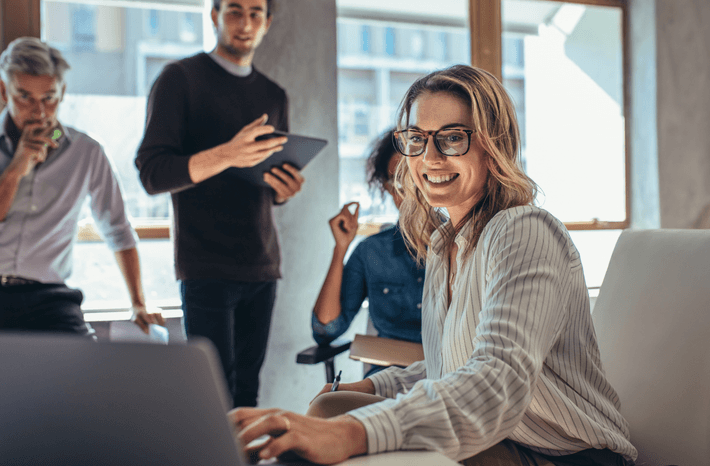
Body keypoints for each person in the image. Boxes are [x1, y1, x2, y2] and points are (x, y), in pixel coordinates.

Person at [229, 65, 638, 466]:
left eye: (453, 138)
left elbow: (495, 379)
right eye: (417, 139)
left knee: (341, 434)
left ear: (493, 144)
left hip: (566, 454)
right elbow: (449, 368)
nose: (430, 158)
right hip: (503, 437)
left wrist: (353, 433)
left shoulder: (525, 230)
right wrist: (372, 384)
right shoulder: (443, 244)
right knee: (332, 405)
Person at [135, 0, 304, 408]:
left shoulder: (273, 94)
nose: (245, 23)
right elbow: (153, 173)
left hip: (262, 263)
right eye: (234, 11)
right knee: (212, 397)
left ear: (267, 22)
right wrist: (227, 153)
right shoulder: (180, 79)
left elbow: (267, 185)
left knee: (247, 394)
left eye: (255, 13)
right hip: (205, 265)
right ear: (213, 15)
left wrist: (284, 188)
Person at [0, 37, 163, 336]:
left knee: (82, 374)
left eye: (49, 98)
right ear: (5, 92)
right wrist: (15, 169)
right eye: (25, 97)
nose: (39, 112)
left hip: (48, 297)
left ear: (62, 93)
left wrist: (139, 303)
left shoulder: (87, 152)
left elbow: (118, 229)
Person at [311, 129, 424, 377]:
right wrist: (340, 248)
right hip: (385, 379)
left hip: (448, 380)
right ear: (386, 189)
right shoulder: (372, 251)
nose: (407, 192)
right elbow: (326, 328)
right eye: (396, 183)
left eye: (413, 178)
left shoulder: (464, 246)